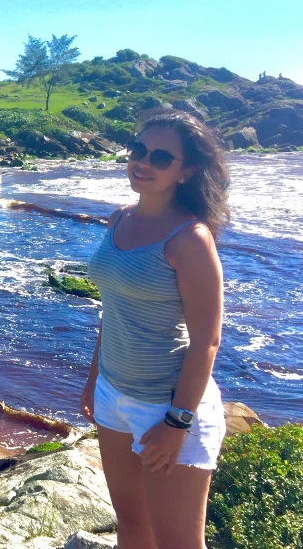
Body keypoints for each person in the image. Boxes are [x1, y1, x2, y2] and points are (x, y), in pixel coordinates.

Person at [83, 109, 229, 549]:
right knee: (131, 524)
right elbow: (113, 309)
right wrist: (94, 378)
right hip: (113, 395)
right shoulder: (118, 218)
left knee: (178, 542)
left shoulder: (190, 239)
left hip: (167, 406)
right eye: (139, 150)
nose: (143, 162)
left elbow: (207, 342)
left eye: (161, 158)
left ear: (186, 171)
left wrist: (177, 423)